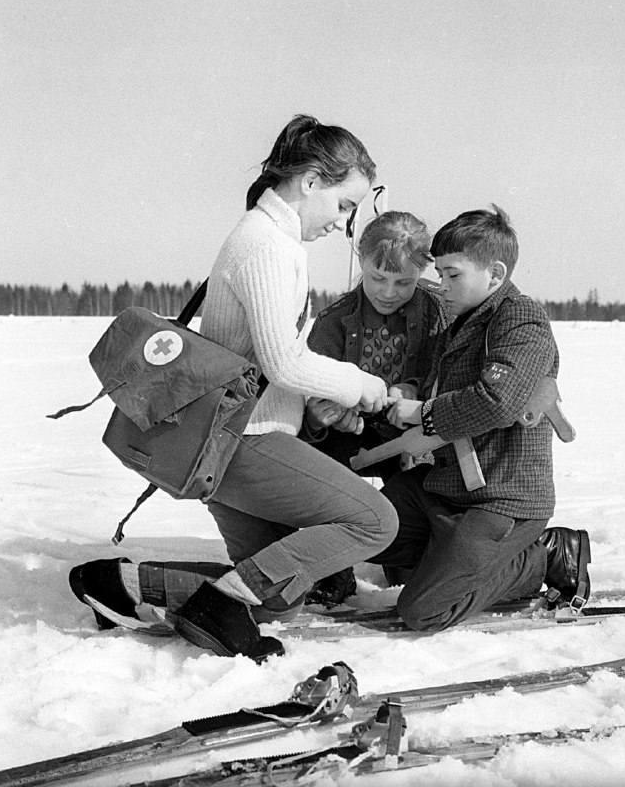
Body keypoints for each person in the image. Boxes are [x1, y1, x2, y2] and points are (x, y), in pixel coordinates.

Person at [69, 114, 399, 660]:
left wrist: (318, 405)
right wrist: (356, 382)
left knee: (276, 594)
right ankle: (220, 603)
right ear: (310, 181)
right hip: (244, 440)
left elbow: (266, 361)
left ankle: (123, 585)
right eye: (344, 205)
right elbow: (284, 361)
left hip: (225, 442)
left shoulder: (264, 235)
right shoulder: (268, 244)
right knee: (373, 520)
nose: (344, 225)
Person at [370, 204, 591, 632]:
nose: (443, 285)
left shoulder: (520, 319)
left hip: (499, 499)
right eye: (440, 274)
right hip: (448, 489)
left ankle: (544, 554)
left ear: (494, 274)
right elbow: (446, 383)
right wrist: (413, 390)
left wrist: (426, 414)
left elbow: (498, 399)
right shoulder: (464, 319)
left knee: (423, 610)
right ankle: (455, 562)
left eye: (453, 275)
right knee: (369, 531)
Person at [302, 210, 448, 605]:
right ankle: (334, 568)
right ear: (361, 261)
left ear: (424, 271)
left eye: (404, 282)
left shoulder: (442, 311)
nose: (388, 291)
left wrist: (414, 392)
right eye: (377, 278)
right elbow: (307, 398)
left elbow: (452, 373)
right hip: (350, 438)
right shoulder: (332, 323)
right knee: (319, 465)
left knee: (412, 568)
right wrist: (319, 418)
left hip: (419, 437)